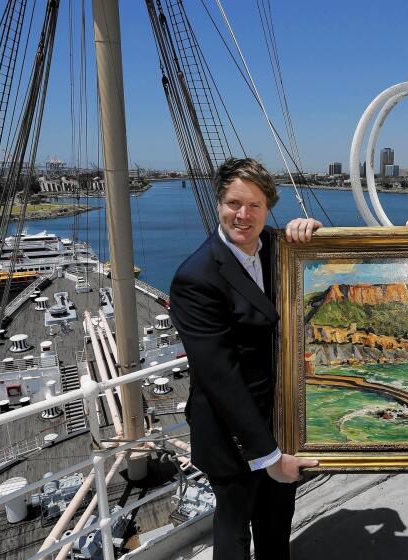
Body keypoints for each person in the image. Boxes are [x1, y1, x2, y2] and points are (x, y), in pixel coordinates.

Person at [168, 157, 321, 560]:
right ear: (219, 202)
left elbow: (323, 264)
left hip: (278, 420)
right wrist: (268, 456)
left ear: (268, 207)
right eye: (234, 203)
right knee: (234, 534)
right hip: (230, 435)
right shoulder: (196, 277)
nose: (243, 215)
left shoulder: (277, 248)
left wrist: (316, 233)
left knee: (276, 528)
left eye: (254, 205)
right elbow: (220, 376)